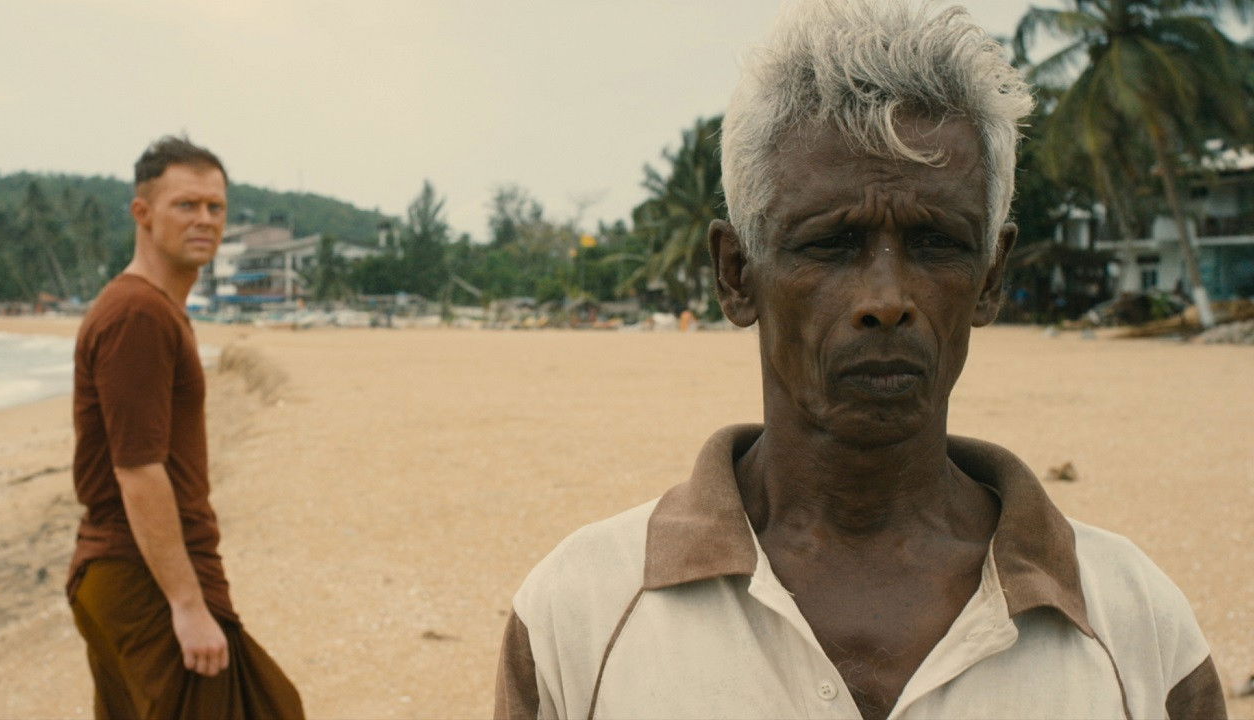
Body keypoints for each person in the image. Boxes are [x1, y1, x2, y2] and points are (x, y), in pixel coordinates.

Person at [494, 2, 1226, 718]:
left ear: (991, 277)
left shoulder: (1135, 626)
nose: (886, 298)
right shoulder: (581, 615)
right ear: (736, 275)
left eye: (936, 243)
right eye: (830, 244)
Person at [67, 136, 303, 719]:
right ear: (142, 213)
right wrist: (188, 605)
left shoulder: (151, 309)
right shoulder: (138, 314)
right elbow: (138, 470)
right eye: (186, 204)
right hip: (139, 575)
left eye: (215, 207)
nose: (205, 219)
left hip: (126, 572)